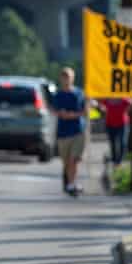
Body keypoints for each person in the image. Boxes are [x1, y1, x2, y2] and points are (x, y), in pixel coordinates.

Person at [52, 67, 88, 197]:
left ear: (73, 78)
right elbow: (55, 111)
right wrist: (61, 114)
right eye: (64, 77)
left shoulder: (80, 93)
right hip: (63, 133)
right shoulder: (58, 95)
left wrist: (73, 115)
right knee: (66, 161)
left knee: (74, 159)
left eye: (68, 76)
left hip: (78, 131)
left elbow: (85, 111)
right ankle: (68, 182)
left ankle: (72, 184)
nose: (66, 79)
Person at [100, 97, 132, 166]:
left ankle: (119, 160)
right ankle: (114, 160)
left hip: (123, 124)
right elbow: (101, 105)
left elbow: (131, 103)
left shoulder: (124, 99)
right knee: (112, 143)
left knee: (123, 142)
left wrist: (127, 109)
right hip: (110, 124)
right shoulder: (107, 99)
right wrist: (102, 109)